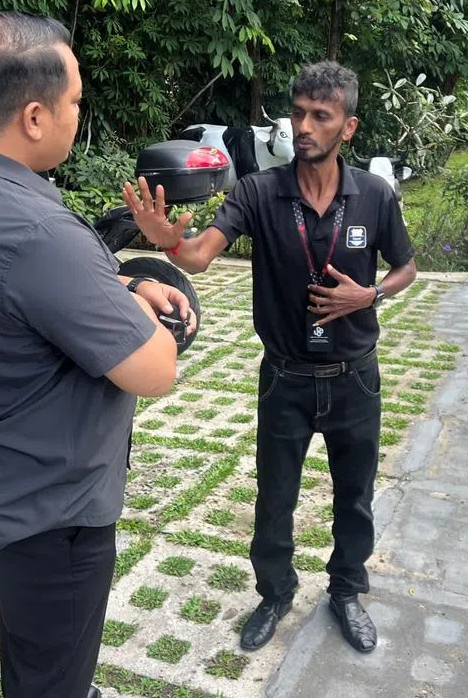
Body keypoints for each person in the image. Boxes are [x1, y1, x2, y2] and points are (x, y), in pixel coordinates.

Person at [0, 9, 196, 698]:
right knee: (54, 671)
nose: (75, 116)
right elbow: (154, 370)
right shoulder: (33, 228)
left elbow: (14, 296)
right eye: (73, 104)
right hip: (50, 508)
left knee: (35, 642)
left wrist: (120, 284)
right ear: (34, 116)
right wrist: (148, 307)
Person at [122, 61, 417, 654]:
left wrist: (371, 294)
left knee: (354, 494)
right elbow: (202, 255)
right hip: (284, 376)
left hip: (355, 376)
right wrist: (169, 243)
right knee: (275, 494)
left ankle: (346, 591)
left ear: (348, 127)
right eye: (298, 113)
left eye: (320, 116)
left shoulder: (375, 196)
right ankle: (275, 592)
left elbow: (406, 266)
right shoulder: (259, 192)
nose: (303, 127)